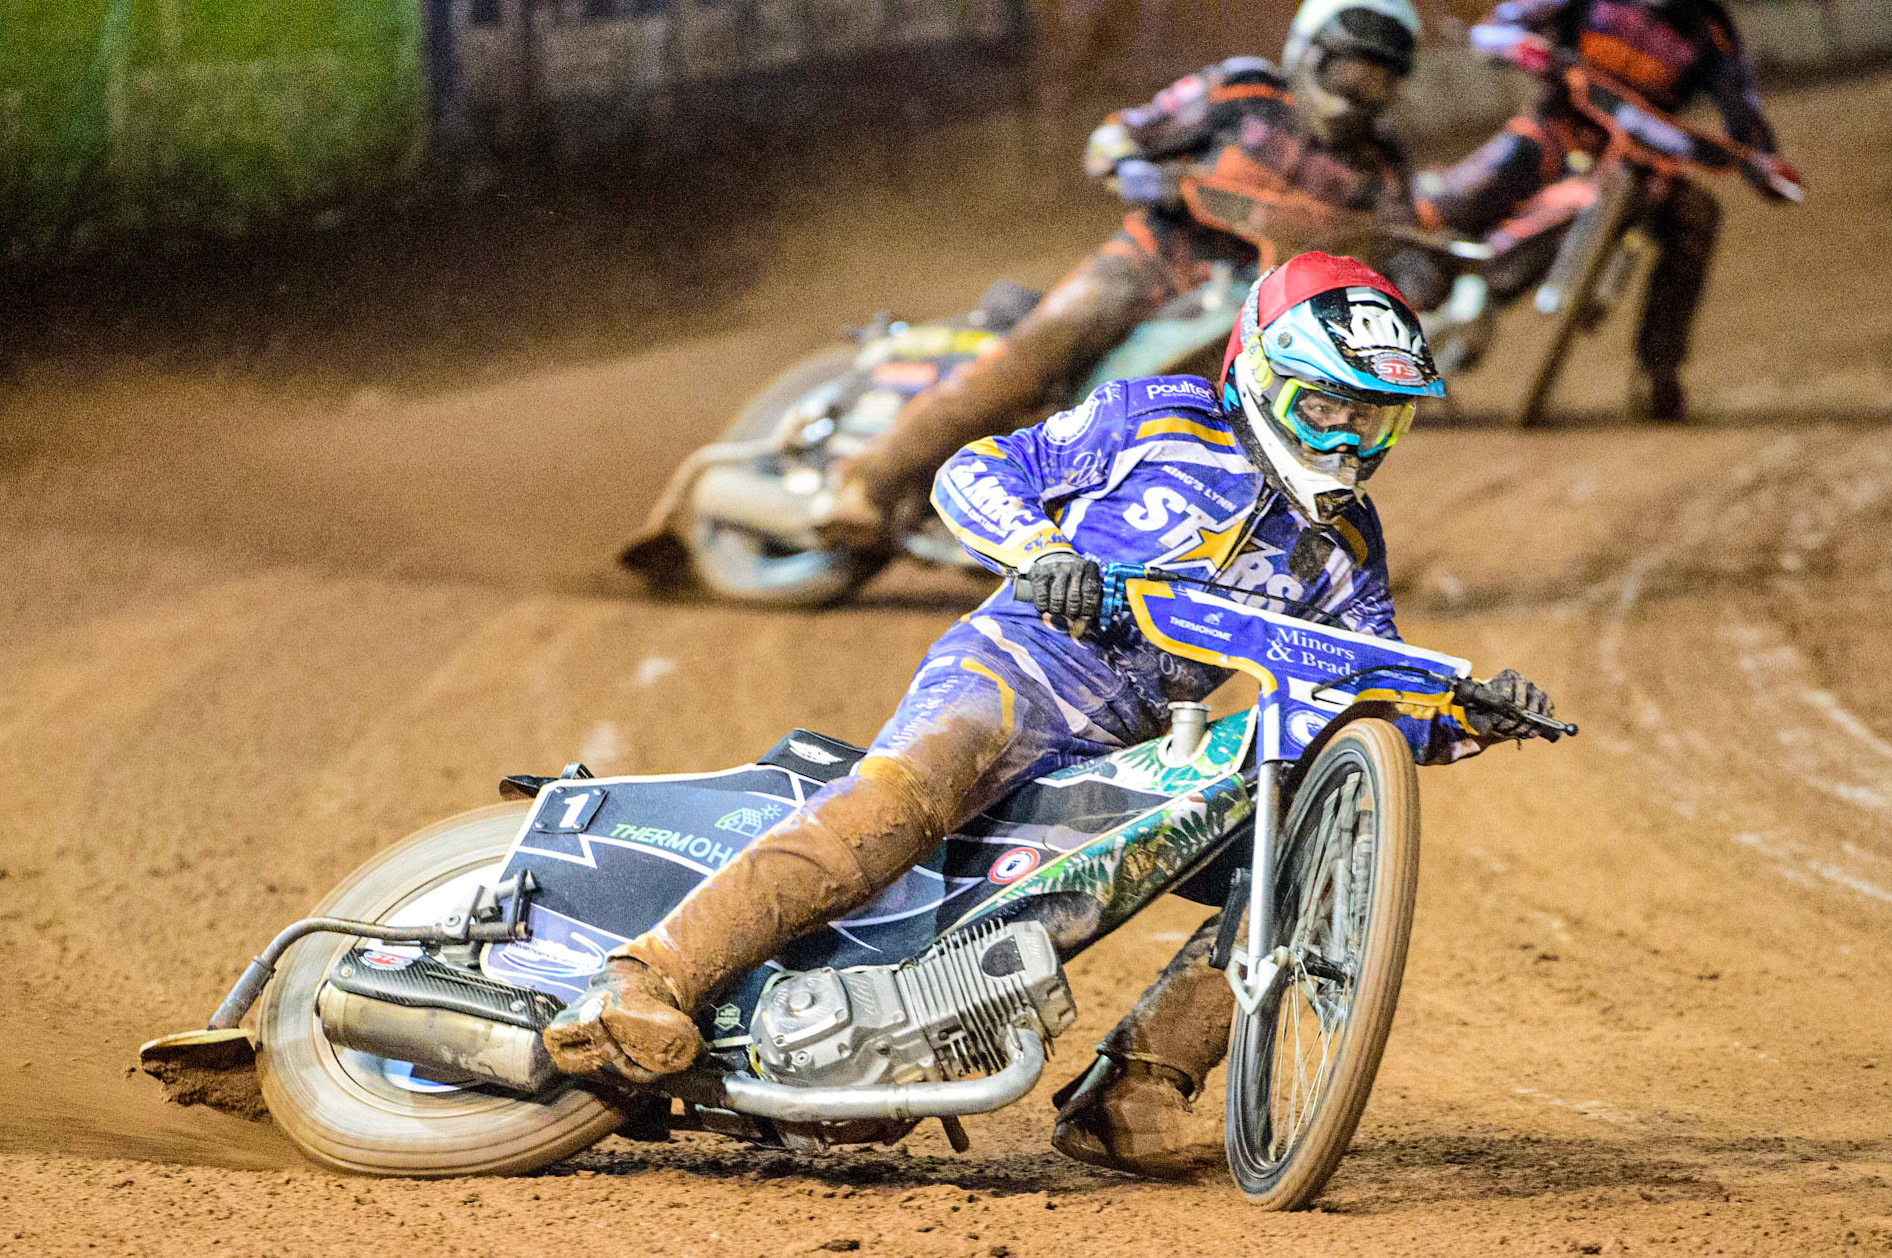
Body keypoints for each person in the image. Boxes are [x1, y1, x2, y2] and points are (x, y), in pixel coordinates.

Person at [544, 252, 1560, 1176]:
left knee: (1292, 865)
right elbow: (974, 471)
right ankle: (645, 980)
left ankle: (1134, 1089)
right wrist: (1044, 555)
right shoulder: (1157, 417)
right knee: (904, 801)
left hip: (1139, 750)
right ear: (1257, 376)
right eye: (1324, 407)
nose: (1346, 441)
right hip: (1015, 671)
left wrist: (1469, 716)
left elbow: (1366, 688)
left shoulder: (1343, 548)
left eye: (1374, 419)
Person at [814, 0, 1451, 549]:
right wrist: (1138, 169)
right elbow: (1117, 137)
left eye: (1376, 80)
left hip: (1254, 315)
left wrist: (1423, 271)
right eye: (1347, 70)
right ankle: (867, 480)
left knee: (1233, 427)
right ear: (1308, 55)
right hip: (1150, 262)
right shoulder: (1243, 92)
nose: (1355, 94)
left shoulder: (1384, 170)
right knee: (1037, 354)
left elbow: (1399, 253)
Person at [1414, 0, 1799, 421]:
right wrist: (1526, 49)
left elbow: (1744, 114)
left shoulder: (1710, 26)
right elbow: (1491, 32)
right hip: (1552, 135)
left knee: (1696, 214)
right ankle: (1391, 336)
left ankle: (1658, 374)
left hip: (1640, 166)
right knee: (1442, 209)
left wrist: (1765, 163)